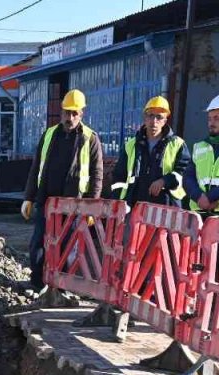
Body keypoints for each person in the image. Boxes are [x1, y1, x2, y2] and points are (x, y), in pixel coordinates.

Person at [21, 89, 104, 291]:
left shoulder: (90, 138)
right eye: (67, 112)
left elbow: (97, 174)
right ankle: (38, 284)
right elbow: (36, 168)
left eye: (75, 113)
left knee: (68, 249)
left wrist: (91, 206)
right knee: (38, 246)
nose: (70, 117)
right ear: (61, 112)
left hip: (74, 205)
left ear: (81, 114)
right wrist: (29, 198)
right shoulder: (50, 134)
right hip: (47, 202)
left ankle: (62, 289)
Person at [109, 95, 188, 209]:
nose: (154, 121)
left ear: (165, 120)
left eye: (159, 117)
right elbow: (119, 178)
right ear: (144, 117)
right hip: (134, 207)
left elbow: (184, 174)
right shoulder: (131, 145)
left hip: (165, 209)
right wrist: (117, 203)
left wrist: (164, 181)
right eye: (150, 115)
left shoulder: (178, 144)